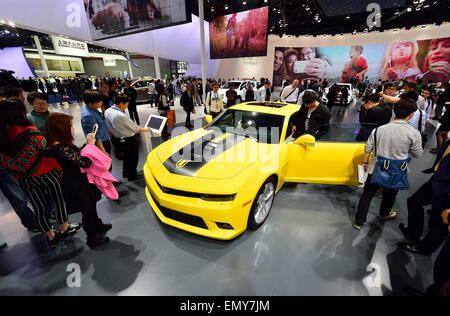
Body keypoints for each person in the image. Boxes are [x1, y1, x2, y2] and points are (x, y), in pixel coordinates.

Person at [0, 100, 81, 248]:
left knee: (39, 207)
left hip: (24, 179)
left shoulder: (2, 136)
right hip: (46, 174)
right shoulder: (30, 131)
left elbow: (4, 162)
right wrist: (59, 169)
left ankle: (50, 236)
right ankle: (64, 228)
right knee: (59, 200)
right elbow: (47, 154)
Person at [354, 99, 424, 230]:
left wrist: (364, 162)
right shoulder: (414, 133)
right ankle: (384, 214)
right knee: (390, 194)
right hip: (396, 170)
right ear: (412, 114)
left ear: (394, 111)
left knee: (367, 194)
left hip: (375, 167)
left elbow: (368, 147)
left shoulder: (379, 130)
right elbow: (417, 154)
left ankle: (359, 221)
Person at [46, 113, 111, 249]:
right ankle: (92, 237)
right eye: (70, 127)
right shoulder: (61, 148)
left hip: (78, 180)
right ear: (61, 129)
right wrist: (91, 146)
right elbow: (85, 162)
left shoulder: (60, 145)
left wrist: (87, 144)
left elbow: (76, 155)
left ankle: (97, 225)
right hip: (75, 183)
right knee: (87, 209)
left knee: (91, 205)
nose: (73, 129)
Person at [397, 139, 450, 255]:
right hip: (438, 180)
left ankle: (424, 249)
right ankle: (413, 233)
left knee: (439, 223)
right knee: (414, 202)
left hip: (447, 191)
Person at [104, 95, 150, 181]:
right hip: (128, 140)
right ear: (121, 103)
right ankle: (132, 176)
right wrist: (146, 129)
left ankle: (125, 173)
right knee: (132, 158)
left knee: (126, 157)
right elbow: (135, 129)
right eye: (126, 105)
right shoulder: (120, 115)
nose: (126, 107)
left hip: (116, 139)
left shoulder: (107, 111)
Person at [81, 90, 111, 156]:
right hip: (102, 143)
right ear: (90, 103)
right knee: (106, 164)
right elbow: (95, 136)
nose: (101, 103)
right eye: (98, 102)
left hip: (104, 137)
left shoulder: (92, 108)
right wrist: (103, 151)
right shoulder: (89, 116)